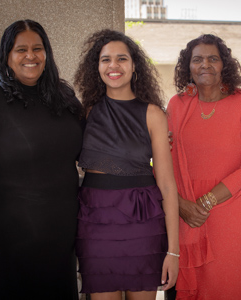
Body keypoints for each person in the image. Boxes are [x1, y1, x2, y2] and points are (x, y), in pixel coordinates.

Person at [0, 20, 83, 299]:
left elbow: (94, 145)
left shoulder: (64, 97)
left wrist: (149, 137)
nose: (30, 56)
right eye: (20, 49)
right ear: (7, 55)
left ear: (47, 54)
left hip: (59, 244)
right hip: (2, 243)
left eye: (37, 48)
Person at [73, 29, 179, 300]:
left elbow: (167, 185)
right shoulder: (85, 112)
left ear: (134, 66)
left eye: (122, 59)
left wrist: (173, 251)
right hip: (95, 222)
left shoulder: (154, 114)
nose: (113, 66)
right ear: (96, 67)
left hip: (143, 221)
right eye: (105, 59)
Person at [167, 34, 241, 299]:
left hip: (231, 216)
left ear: (225, 64)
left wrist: (207, 202)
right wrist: (182, 205)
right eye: (197, 59)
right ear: (188, 66)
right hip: (185, 215)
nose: (205, 65)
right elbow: (163, 163)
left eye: (213, 58)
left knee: (227, 286)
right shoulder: (177, 105)